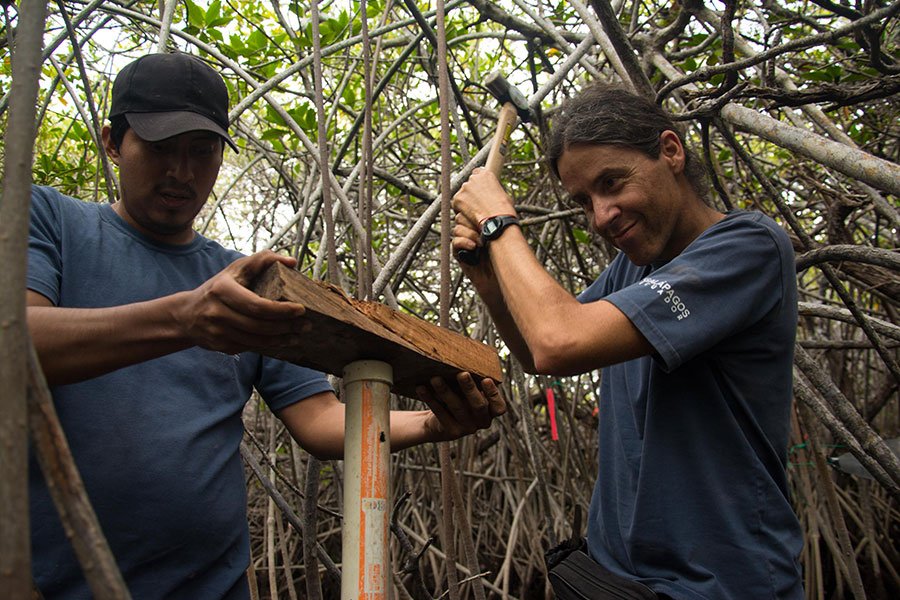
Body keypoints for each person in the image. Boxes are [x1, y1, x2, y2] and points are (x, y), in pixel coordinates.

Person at [28, 52, 505, 600]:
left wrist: (431, 425)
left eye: (202, 152)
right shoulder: (50, 220)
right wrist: (185, 319)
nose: (181, 172)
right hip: (54, 582)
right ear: (113, 142)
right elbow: (18, 342)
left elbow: (320, 421)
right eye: (159, 149)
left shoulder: (245, 281)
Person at [451, 83, 803, 599]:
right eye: (584, 201)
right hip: (617, 579)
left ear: (670, 151)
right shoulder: (628, 272)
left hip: (722, 583)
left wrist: (499, 222)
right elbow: (539, 354)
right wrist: (489, 280)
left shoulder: (748, 249)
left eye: (612, 183)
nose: (601, 216)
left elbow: (558, 339)